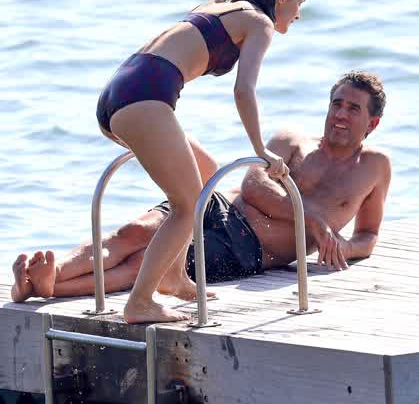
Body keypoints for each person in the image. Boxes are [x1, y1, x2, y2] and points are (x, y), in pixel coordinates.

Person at [12, 71, 391, 319]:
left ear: (371, 123)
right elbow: (253, 185)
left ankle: (50, 287)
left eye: (353, 108)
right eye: (336, 104)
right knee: (133, 232)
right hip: (220, 204)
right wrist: (314, 221)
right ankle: (51, 271)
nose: (340, 114)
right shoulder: (292, 140)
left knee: (145, 262)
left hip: (248, 248)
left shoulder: (374, 167)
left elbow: (368, 235)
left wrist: (343, 247)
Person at [94, 0, 307, 324]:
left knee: (206, 172)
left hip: (120, 91)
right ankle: (140, 302)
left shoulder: (218, 6)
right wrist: (260, 149)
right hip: (142, 98)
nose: (299, 14)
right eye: (300, 3)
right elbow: (244, 90)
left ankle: (175, 276)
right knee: (187, 204)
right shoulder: (260, 22)